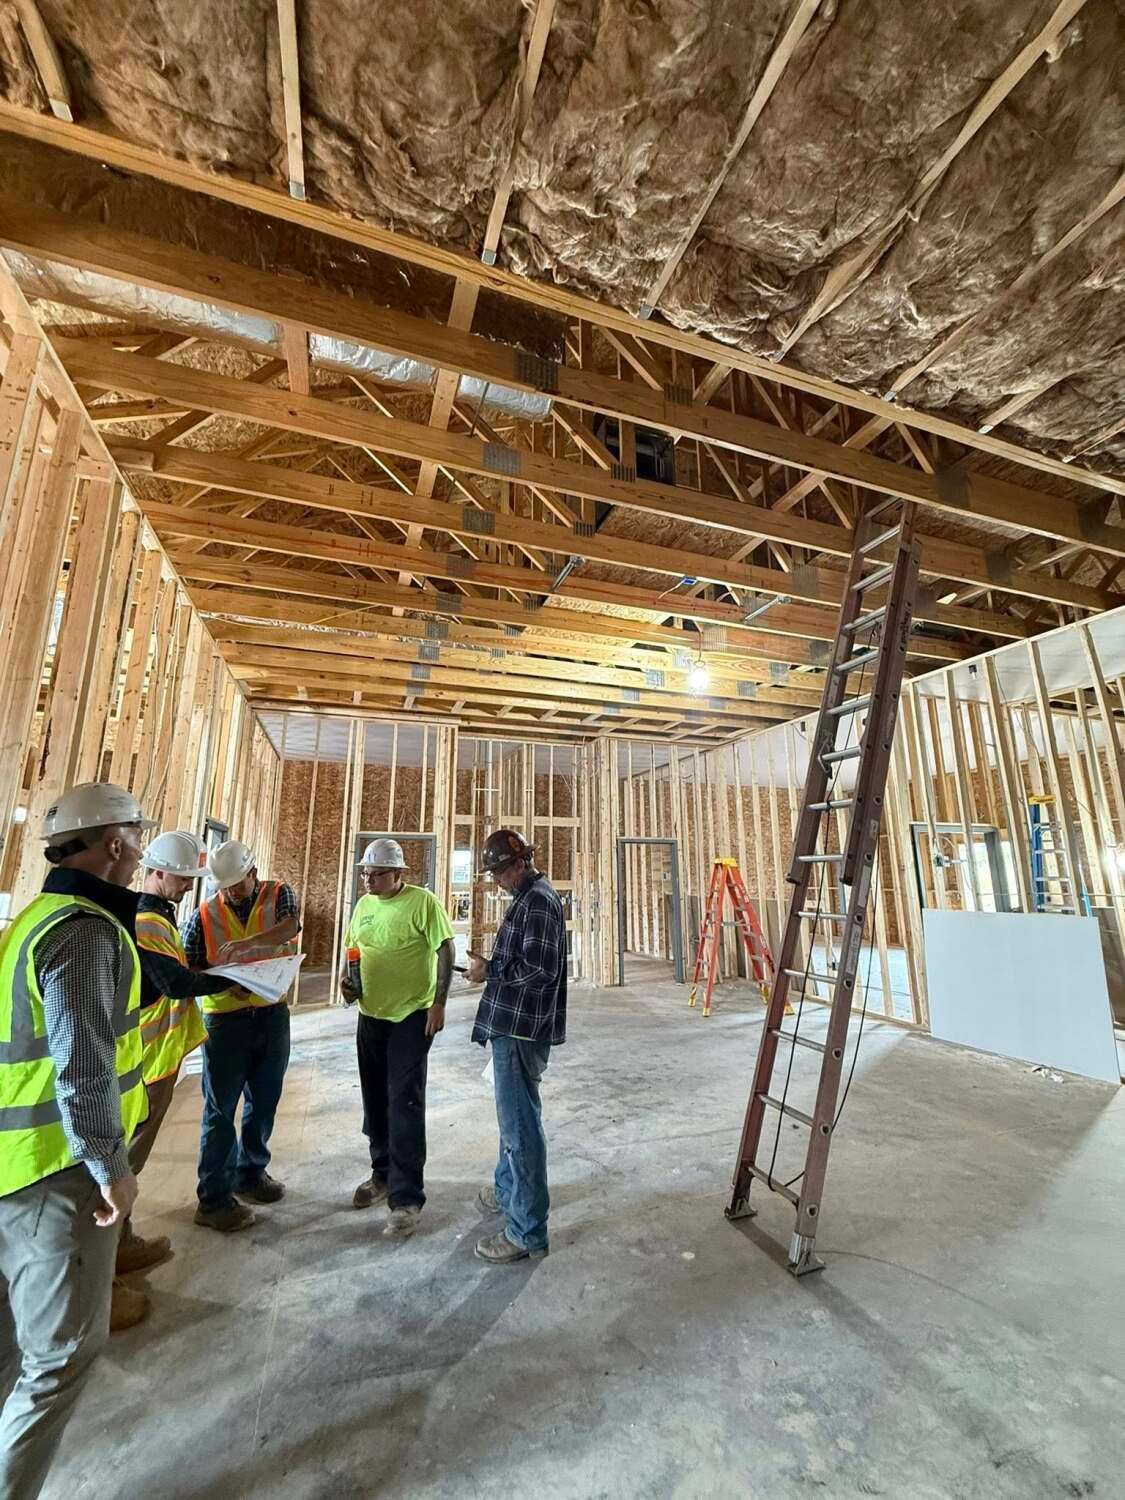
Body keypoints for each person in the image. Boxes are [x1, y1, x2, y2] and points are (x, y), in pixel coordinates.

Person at [0, 783, 153, 1500]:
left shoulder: (38, 915)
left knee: (10, 1350)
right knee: (59, 1358)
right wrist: (111, 1167)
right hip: (53, 1173)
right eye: (138, 833)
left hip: (14, 1163)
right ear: (115, 843)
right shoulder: (85, 928)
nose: (144, 846)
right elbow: (82, 1063)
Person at [116, 831, 229, 1280]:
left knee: (130, 1155)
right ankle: (113, 1253)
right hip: (146, 1058)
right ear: (156, 872)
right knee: (127, 1158)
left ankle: (118, 1244)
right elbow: (176, 983)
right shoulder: (147, 920)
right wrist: (230, 980)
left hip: (158, 1056)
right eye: (181, 878)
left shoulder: (159, 916)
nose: (187, 886)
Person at [181, 840, 300, 1233]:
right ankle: (213, 1198)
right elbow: (191, 964)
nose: (231, 892)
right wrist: (218, 982)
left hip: (270, 1014)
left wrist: (248, 945)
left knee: (264, 1100)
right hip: (225, 1023)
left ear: (253, 873)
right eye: (225, 886)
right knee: (220, 1109)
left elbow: (290, 926)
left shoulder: (278, 894)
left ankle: (251, 1175)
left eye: (237, 884)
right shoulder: (203, 914)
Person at [341, 839, 454, 1239]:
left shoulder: (422, 902)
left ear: (399, 874)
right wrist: (348, 985)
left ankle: (407, 1198)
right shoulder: (364, 906)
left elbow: (445, 948)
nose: (368, 881)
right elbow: (354, 951)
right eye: (365, 875)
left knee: (404, 1099)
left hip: (411, 1015)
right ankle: (381, 1175)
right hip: (370, 1014)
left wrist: (439, 1003)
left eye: (376, 874)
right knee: (374, 1098)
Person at [465, 829, 567, 1265]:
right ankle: (509, 1191)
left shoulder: (539, 901)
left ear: (520, 863)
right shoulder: (527, 898)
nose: (498, 880)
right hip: (514, 1026)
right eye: (494, 874)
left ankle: (527, 1230)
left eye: (501, 871)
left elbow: (540, 971)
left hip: (524, 1031)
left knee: (520, 1127)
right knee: (516, 1120)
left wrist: (490, 970)